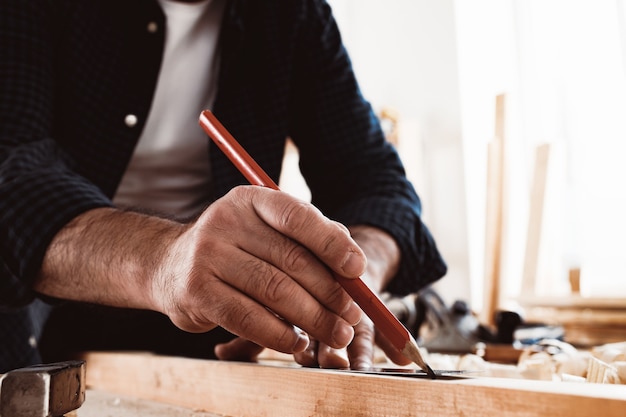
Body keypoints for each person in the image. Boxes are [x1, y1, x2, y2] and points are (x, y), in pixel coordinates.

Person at [0, 0, 447, 373]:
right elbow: (11, 179)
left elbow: (375, 184)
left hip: (211, 338)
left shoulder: (294, 14)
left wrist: (349, 280)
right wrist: (166, 259)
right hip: (37, 335)